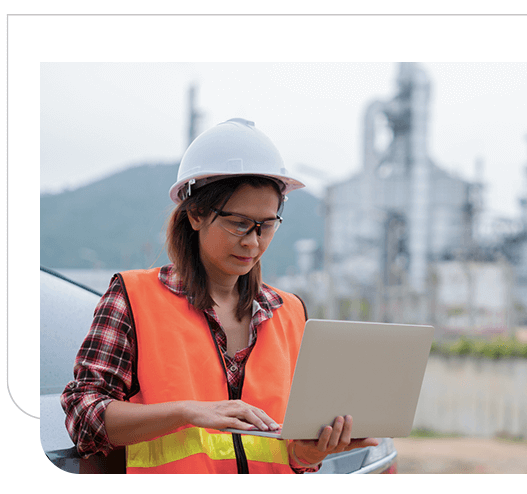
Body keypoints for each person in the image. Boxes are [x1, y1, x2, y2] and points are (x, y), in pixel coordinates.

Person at [61, 118, 378, 474]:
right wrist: (187, 411)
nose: (253, 241)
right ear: (196, 213)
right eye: (239, 223)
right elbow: (83, 414)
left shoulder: (290, 313)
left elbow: (285, 454)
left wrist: (307, 455)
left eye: (267, 225)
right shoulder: (133, 297)